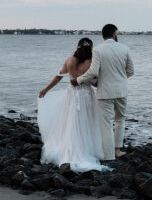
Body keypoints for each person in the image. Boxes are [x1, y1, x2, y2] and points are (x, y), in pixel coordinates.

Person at [36, 37, 111, 172]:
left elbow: (59, 76)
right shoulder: (91, 62)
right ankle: (84, 149)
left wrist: (46, 89)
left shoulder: (70, 60)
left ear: (78, 47)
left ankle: (69, 148)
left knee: (70, 121)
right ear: (91, 49)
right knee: (86, 122)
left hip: (71, 95)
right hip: (85, 95)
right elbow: (94, 82)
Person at [74, 23, 134, 159]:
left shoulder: (98, 50)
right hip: (121, 91)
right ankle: (117, 150)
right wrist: (121, 79)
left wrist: (78, 80)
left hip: (105, 91)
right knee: (120, 120)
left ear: (103, 35)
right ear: (114, 34)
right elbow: (131, 71)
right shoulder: (125, 49)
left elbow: (93, 72)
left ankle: (108, 156)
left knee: (106, 123)